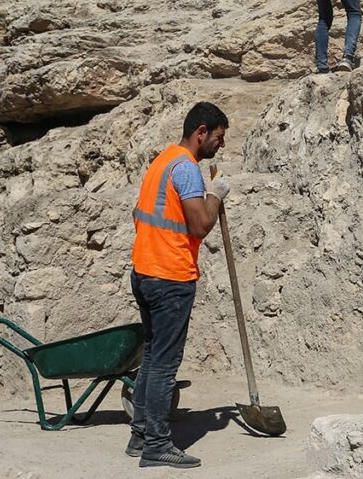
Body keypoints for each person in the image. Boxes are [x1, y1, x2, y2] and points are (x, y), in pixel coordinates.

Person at [125, 102, 231, 469]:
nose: (220, 146)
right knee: (165, 363)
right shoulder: (186, 170)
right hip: (170, 275)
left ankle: (140, 435)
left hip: (145, 270)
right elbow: (200, 225)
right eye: (218, 138)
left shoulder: (162, 161)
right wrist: (216, 194)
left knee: (152, 357)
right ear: (200, 132)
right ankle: (156, 444)